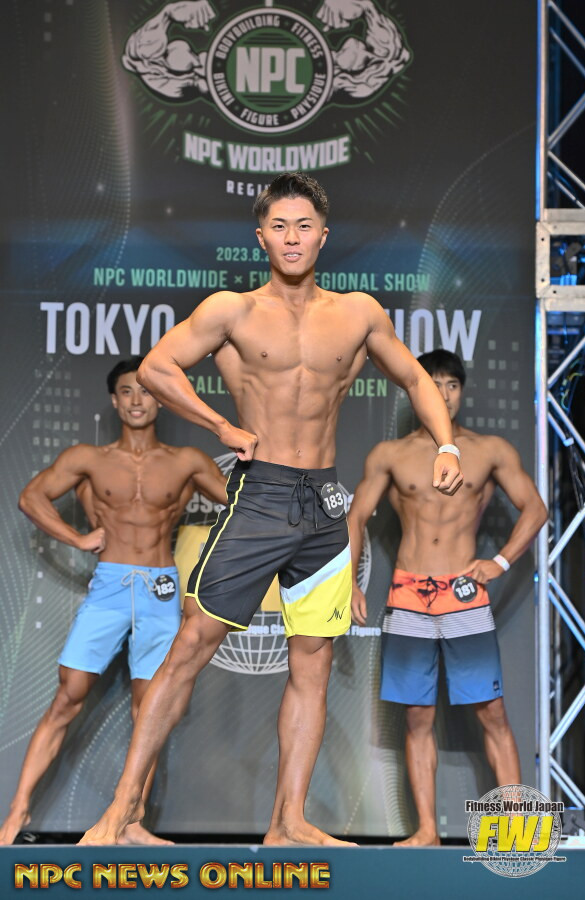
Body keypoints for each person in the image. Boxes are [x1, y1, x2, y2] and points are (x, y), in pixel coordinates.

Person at [78, 172, 462, 848]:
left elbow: (412, 377)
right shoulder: (232, 310)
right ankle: (121, 813)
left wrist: (447, 443)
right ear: (260, 237)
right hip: (260, 498)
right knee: (190, 646)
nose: (292, 237)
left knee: (312, 663)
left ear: (323, 235)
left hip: (323, 504)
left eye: (303, 226)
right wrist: (220, 426)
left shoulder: (359, 313)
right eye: (279, 226)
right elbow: (159, 367)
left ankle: (289, 822)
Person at [0, 358, 227, 846]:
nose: (137, 400)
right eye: (127, 391)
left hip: (162, 588)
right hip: (110, 586)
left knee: (151, 709)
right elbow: (31, 497)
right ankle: (16, 813)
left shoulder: (187, 461)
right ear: (114, 400)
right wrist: (77, 539)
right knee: (68, 696)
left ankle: (131, 824)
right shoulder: (88, 458)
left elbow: (241, 505)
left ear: (160, 400)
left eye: (146, 392)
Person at [348, 349, 547, 846]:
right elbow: (355, 517)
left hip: (464, 595)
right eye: (432, 384)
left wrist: (500, 561)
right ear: (416, 393)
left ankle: (517, 829)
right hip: (409, 596)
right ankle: (427, 832)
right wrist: (348, 581)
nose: (443, 394)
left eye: (452, 385)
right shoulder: (390, 455)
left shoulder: (489, 450)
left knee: (492, 713)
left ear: (462, 391)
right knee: (418, 717)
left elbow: (535, 508)